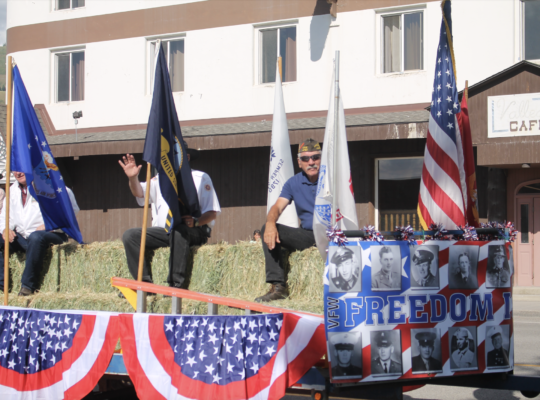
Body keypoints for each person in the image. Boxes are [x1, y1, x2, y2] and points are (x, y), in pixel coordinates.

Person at [120, 143, 220, 289]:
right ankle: (144, 285)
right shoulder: (159, 179)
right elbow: (140, 193)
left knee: (178, 231)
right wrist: (133, 178)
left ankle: (175, 286)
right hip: (165, 231)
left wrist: (196, 222)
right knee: (130, 235)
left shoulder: (200, 178)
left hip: (193, 230)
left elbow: (212, 213)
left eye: (174, 156)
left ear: (186, 157)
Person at [255, 139, 321, 303]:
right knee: (267, 228)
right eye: (305, 158)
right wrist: (270, 223)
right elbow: (277, 207)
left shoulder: (334, 179)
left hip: (333, 235)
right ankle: (278, 287)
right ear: (299, 162)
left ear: (322, 159)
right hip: (309, 236)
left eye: (315, 157)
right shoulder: (293, 183)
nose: (311, 162)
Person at [0, 171, 79, 296]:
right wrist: (6, 228)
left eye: (20, 168)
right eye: (15, 169)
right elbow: (5, 216)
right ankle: (1, 286)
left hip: (52, 235)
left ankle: (27, 286)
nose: (18, 173)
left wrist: (50, 225)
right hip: (23, 237)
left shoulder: (49, 184)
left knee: (36, 237)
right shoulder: (12, 190)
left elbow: (72, 209)